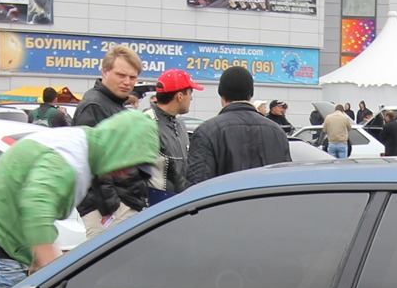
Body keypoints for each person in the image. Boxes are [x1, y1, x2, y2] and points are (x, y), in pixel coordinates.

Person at [0, 108, 160, 288]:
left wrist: (39, 263)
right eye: (128, 163)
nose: (124, 174)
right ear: (118, 146)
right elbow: (36, 210)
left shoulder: (77, 145)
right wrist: (57, 278)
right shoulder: (67, 159)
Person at [185, 65, 293, 184]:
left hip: (224, 202)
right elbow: (286, 180)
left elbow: (197, 186)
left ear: (221, 94)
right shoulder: (277, 132)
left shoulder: (207, 132)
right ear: (250, 94)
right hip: (268, 202)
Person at [144, 68, 203, 204]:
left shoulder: (180, 123)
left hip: (178, 206)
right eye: (190, 93)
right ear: (180, 96)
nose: (192, 98)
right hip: (154, 208)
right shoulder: (146, 122)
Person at [70, 44, 142, 127]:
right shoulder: (94, 107)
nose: (127, 82)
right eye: (121, 75)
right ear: (105, 72)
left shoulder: (115, 104)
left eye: (132, 77)